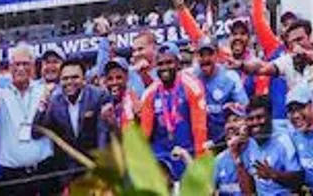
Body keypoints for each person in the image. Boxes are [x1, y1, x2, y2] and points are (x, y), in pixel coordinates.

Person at [34, 58, 111, 187]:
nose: (69, 82)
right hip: (67, 174)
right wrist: (42, 105)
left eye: (75, 77)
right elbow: (36, 133)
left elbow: (102, 134)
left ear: (84, 79)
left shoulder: (99, 96)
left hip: (94, 168)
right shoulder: (54, 102)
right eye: (65, 78)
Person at [139, 43, 208, 180]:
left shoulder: (192, 86)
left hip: (186, 152)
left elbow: (199, 128)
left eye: (169, 62)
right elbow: (144, 134)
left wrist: (200, 162)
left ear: (178, 64)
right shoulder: (150, 93)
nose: (164, 67)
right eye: (160, 64)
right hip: (161, 157)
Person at [0, 43, 55, 196]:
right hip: (12, 176)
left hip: (44, 170)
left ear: (33, 66)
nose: (20, 68)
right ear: (10, 67)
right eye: (16, 64)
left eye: (25, 63)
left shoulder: (45, 90)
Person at [191, 38, 249, 148]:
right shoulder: (191, 77)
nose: (205, 59)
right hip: (199, 142)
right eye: (201, 55)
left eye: (210, 54)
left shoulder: (230, 77)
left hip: (225, 142)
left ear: (217, 54)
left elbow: (244, 110)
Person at [246, 96, 302, 195]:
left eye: (259, 117)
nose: (255, 122)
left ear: (270, 116)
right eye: (251, 119)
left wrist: (273, 174)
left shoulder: (283, 140)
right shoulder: (249, 140)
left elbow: (298, 180)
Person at [212, 111, 258, 196]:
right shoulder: (219, 159)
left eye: (236, 120)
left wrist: (235, 155)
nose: (230, 125)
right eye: (227, 122)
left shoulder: (256, 150)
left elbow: (249, 192)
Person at [100, 57, 140, 135]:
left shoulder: (133, 101)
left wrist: (112, 123)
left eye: (119, 78)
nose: (114, 82)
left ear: (127, 77)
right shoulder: (103, 102)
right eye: (110, 79)